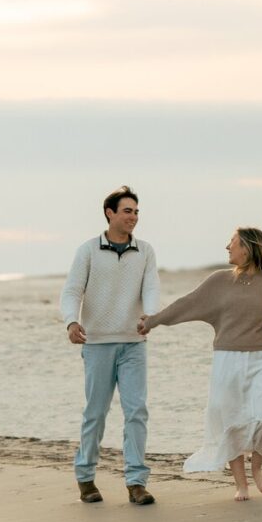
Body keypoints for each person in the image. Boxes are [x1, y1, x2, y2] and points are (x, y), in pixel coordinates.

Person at [138, 227, 262, 501]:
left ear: (247, 248)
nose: (227, 247)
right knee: (231, 422)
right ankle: (241, 484)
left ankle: (257, 468)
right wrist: (153, 321)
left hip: (260, 358)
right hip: (227, 360)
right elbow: (186, 304)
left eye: (233, 243)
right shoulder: (218, 281)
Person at [60, 185, 160, 505]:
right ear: (110, 213)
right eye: (127, 211)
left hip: (133, 343)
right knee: (96, 413)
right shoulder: (88, 250)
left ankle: (136, 482)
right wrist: (71, 321)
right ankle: (86, 477)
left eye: (136, 212)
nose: (133, 217)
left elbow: (151, 288)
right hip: (98, 343)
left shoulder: (145, 251)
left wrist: (150, 316)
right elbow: (72, 291)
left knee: (136, 412)